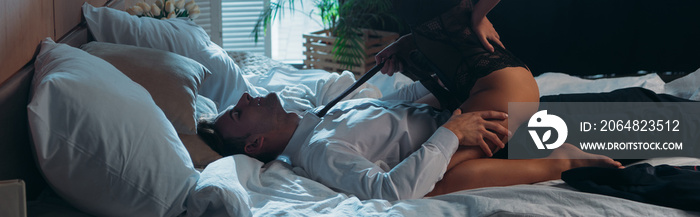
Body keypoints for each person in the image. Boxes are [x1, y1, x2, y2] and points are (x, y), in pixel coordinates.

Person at [198, 92, 622, 200]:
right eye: (237, 113)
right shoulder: (322, 152)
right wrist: (455, 132)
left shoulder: (325, 117)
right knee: (662, 123)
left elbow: (406, 107)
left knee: (651, 112)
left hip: (479, 115)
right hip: (493, 136)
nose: (245, 99)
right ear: (254, 143)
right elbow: (391, 191)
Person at [374, 0, 542, 192]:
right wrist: (408, 42)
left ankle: (563, 162)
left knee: (427, 184)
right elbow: (440, 16)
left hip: (504, 88)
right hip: (469, 86)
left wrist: (478, 16)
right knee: (404, 145)